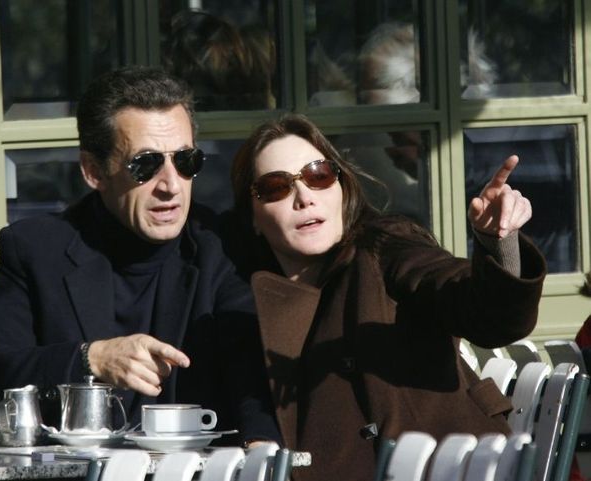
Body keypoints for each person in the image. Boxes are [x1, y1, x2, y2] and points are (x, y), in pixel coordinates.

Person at [0, 66, 279, 445]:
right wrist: (90, 359)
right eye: (146, 164)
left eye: (186, 161)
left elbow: (252, 368)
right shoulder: (40, 250)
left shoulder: (222, 244)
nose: (171, 185)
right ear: (93, 171)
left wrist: (262, 451)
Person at [226, 114, 546, 481]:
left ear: (341, 185)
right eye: (275, 187)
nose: (304, 197)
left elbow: (482, 310)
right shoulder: (246, 304)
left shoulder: (384, 247)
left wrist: (497, 243)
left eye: (318, 175)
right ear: (252, 215)